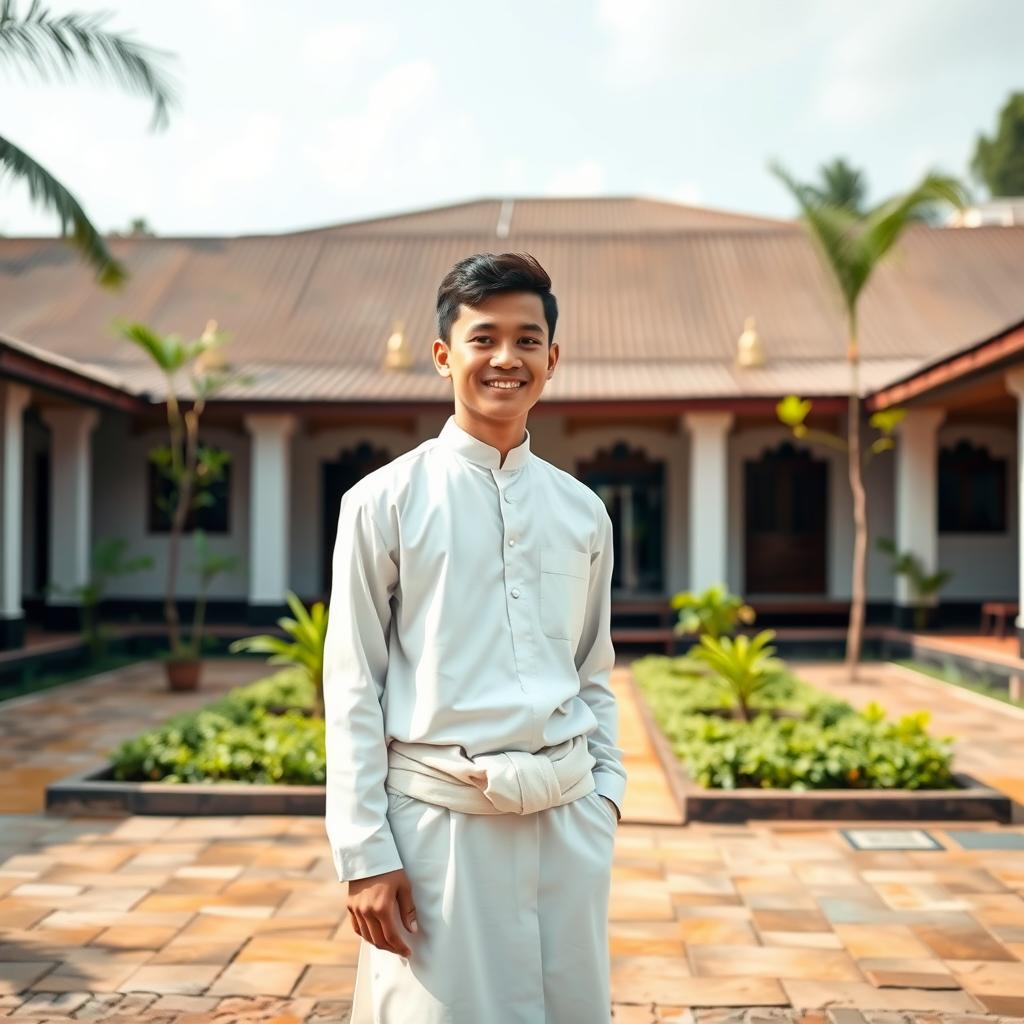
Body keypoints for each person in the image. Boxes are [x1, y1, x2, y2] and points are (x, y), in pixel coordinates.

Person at [323, 251, 627, 1023]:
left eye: (528, 340)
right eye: (483, 338)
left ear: (552, 359)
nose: (505, 359)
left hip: (567, 819)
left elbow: (593, 668)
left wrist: (608, 799)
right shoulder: (382, 502)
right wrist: (365, 854)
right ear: (442, 354)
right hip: (439, 828)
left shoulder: (582, 510)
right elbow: (353, 680)